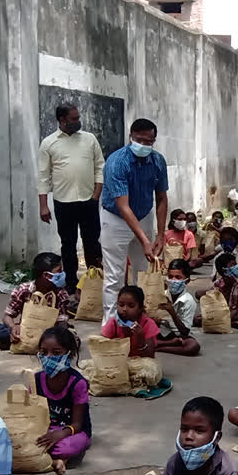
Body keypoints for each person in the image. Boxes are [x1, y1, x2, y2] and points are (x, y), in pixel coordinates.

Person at [100, 118, 169, 325]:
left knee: (143, 271)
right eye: (140, 140)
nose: (144, 146)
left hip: (144, 214)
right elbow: (123, 206)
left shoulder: (158, 161)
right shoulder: (117, 162)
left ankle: (140, 319)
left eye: (149, 142)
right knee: (114, 275)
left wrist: (159, 235)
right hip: (115, 218)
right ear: (131, 137)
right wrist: (144, 240)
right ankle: (111, 324)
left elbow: (162, 198)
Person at [37, 104, 105, 295]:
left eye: (78, 117)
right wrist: (43, 206)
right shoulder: (49, 143)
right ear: (62, 120)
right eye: (74, 119)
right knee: (68, 244)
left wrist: (96, 194)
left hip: (88, 201)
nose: (78, 121)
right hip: (63, 202)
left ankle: (94, 282)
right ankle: (71, 284)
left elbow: (100, 166)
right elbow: (43, 176)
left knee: (92, 242)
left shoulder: (89, 139)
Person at [33, 327, 91, 475]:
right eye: (43, 352)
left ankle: (59, 459)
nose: (48, 357)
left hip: (70, 432)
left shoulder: (78, 383)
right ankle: (57, 460)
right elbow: (31, 415)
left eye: (56, 353)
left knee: (68, 445)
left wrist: (60, 434)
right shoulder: (36, 380)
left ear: (69, 354)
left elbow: (77, 424)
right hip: (45, 430)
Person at [0, 252, 69, 351]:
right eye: (59, 271)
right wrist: (13, 327)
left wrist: (58, 335)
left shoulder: (60, 293)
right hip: (25, 332)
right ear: (46, 275)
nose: (62, 274)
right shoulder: (23, 290)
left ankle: (10, 344)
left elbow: (62, 323)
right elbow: (8, 316)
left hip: (50, 335)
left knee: (70, 338)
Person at [163, 397, 238, 475]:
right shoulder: (175, 463)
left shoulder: (226, 469)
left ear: (216, 438)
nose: (189, 436)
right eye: (184, 429)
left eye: (199, 431)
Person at [155, 259, 201, 356]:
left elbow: (185, 332)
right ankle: (166, 344)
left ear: (187, 281)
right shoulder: (162, 295)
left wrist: (172, 312)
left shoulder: (189, 301)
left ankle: (161, 347)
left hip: (179, 336)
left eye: (178, 277)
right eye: (171, 277)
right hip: (161, 333)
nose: (173, 280)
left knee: (193, 346)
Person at [101, 286, 159, 358]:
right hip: (116, 361)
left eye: (131, 306)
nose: (124, 309)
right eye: (121, 305)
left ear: (140, 308)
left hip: (140, 362)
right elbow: (101, 346)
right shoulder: (113, 322)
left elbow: (150, 354)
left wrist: (141, 338)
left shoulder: (148, 324)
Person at [206, 254, 238, 328]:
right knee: (198, 319)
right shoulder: (217, 284)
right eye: (233, 265)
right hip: (219, 311)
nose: (236, 267)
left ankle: (226, 321)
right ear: (223, 270)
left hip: (233, 311)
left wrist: (232, 313)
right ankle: (231, 322)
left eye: (236, 264)